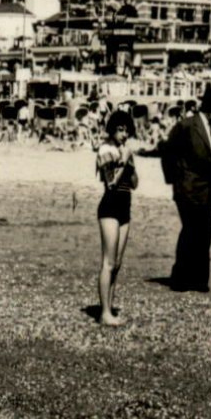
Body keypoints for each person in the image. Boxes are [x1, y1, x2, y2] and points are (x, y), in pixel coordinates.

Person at [161, 86, 211, 292]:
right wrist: (175, 181)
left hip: (208, 190)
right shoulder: (187, 126)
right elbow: (167, 151)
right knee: (190, 231)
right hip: (188, 188)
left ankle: (200, 280)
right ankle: (180, 278)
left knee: (204, 233)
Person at [92, 111, 139, 326]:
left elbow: (135, 183)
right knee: (108, 262)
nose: (124, 134)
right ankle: (104, 313)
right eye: (120, 129)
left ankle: (109, 307)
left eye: (127, 130)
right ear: (112, 129)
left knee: (117, 263)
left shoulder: (123, 150)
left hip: (125, 205)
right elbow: (110, 182)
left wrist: (131, 163)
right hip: (110, 206)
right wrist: (124, 159)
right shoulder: (105, 149)